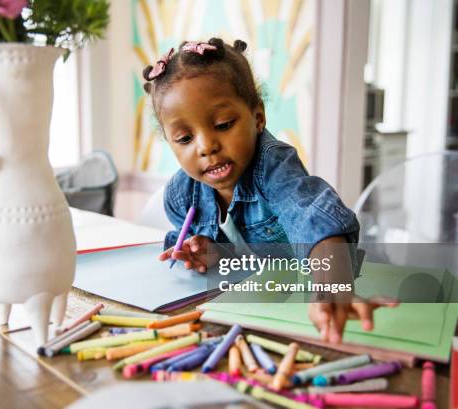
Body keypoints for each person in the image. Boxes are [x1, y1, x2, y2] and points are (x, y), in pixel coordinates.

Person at [142, 38, 395, 344]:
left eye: (223, 124)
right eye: (184, 138)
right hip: (243, 318)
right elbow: (239, 258)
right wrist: (209, 253)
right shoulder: (182, 197)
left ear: (258, 117)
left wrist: (333, 287)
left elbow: (314, 219)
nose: (206, 146)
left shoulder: (274, 167)